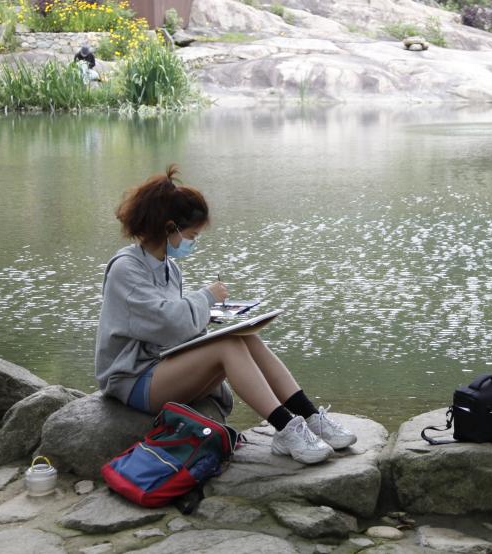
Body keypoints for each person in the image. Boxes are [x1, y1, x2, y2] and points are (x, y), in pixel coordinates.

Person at [95, 165, 356, 464]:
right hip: (133, 379)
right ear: (169, 228)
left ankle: (310, 416)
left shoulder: (170, 269)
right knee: (228, 346)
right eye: (192, 235)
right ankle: (285, 429)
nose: (193, 242)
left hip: (160, 366)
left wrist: (208, 317)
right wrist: (207, 297)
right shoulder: (126, 268)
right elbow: (167, 323)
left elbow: (172, 327)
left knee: (245, 337)